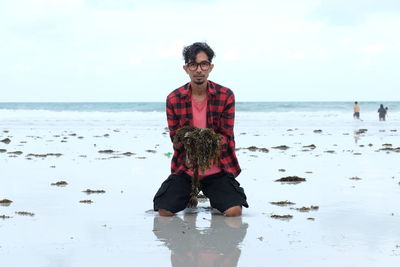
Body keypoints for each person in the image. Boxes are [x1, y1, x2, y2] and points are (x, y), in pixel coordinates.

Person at [153, 42, 248, 217]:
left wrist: (206, 140)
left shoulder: (225, 95)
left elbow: (226, 137)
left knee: (234, 211)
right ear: (186, 68)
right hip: (186, 169)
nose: (199, 69)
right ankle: (191, 196)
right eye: (193, 64)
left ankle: (214, 196)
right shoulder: (174, 99)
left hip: (217, 170)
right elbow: (176, 140)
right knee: (164, 211)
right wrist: (187, 141)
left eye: (204, 64)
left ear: (210, 67)